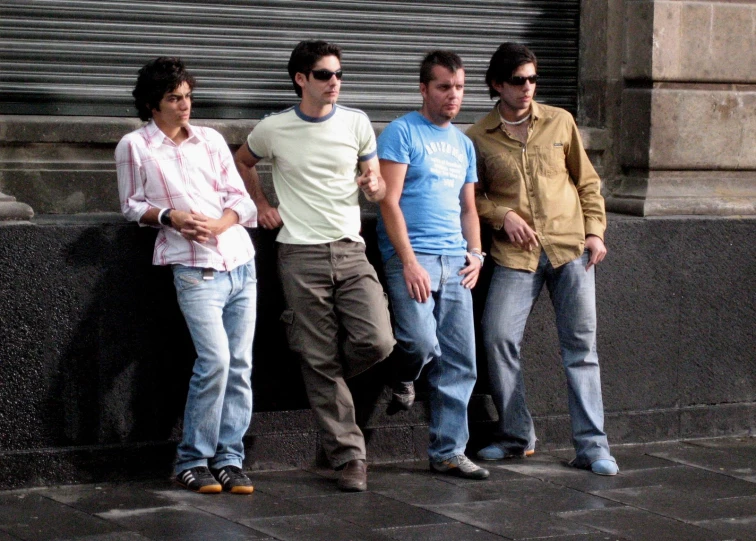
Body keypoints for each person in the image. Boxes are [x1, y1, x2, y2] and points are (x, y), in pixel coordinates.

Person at [234, 40, 395, 492]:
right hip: (299, 253)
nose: (334, 83)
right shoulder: (274, 128)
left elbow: (378, 186)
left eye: (339, 74)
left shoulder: (357, 122)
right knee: (318, 356)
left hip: (349, 248)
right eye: (324, 75)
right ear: (301, 79)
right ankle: (348, 457)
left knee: (377, 340)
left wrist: (374, 183)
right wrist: (262, 204)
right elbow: (242, 161)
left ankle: (324, 384)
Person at [466, 42, 619, 475]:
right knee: (497, 336)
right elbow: (470, 199)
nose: (528, 87)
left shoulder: (560, 122)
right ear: (497, 85)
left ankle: (593, 447)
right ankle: (517, 436)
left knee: (581, 349)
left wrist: (595, 232)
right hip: (517, 256)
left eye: (533, 78)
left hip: (571, 249)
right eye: (518, 80)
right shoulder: (477, 137)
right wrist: (502, 215)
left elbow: (587, 182)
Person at [115, 57, 259, 494]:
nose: (184, 106)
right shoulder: (134, 146)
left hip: (240, 263)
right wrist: (171, 216)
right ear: (152, 105)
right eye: (174, 98)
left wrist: (222, 222)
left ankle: (230, 459)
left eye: (188, 96)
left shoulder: (211, 140)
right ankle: (192, 459)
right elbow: (131, 205)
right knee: (214, 361)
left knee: (240, 367)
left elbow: (243, 199)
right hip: (194, 270)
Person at [377, 50, 489, 480]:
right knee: (421, 342)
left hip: (456, 261)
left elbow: (468, 208)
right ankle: (404, 377)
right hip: (414, 258)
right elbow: (388, 199)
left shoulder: (463, 144)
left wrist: (476, 254)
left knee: (461, 362)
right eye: (444, 87)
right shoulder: (401, 133)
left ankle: (447, 451)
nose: (453, 96)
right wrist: (406, 262)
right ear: (424, 88)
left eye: (459, 87)